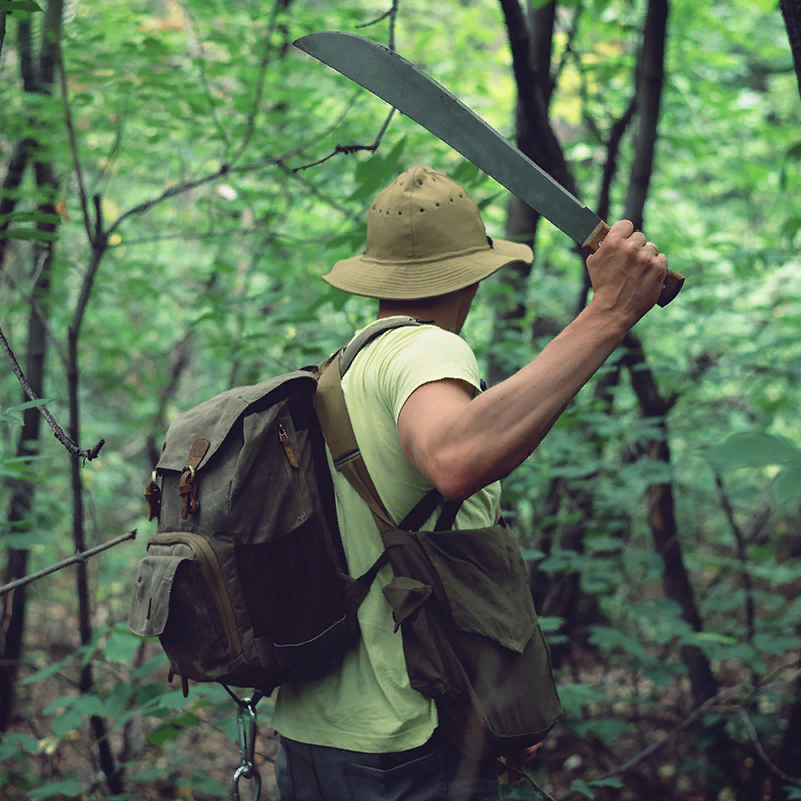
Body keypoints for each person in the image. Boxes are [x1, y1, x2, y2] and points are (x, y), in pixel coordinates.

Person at [270, 166, 668, 800]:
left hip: (315, 736)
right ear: (476, 273)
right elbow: (455, 460)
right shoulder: (426, 350)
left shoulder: (342, 374)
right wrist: (610, 313)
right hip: (406, 747)